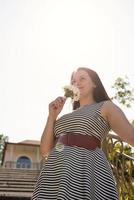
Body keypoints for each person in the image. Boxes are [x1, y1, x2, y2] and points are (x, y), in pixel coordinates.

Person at [32, 67, 134, 200]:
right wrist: (52, 116)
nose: (77, 83)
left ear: (94, 83)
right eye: (73, 81)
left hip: (87, 168)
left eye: (82, 78)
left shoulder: (105, 106)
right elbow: (45, 151)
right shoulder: (63, 117)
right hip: (55, 171)